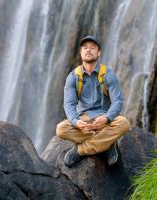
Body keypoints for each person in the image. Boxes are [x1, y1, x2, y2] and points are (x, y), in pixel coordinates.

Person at [56, 35, 130, 167]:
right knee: (61, 129)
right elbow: (69, 104)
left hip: (104, 120)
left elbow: (117, 101)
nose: (88, 50)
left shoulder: (108, 74)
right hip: (84, 121)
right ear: (81, 52)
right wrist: (76, 122)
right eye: (85, 48)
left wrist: (107, 118)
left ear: (99, 52)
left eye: (92, 47)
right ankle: (107, 142)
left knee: (124, 123)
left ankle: (79, 151)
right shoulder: (73, 77)